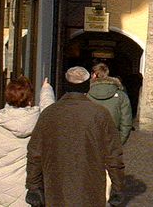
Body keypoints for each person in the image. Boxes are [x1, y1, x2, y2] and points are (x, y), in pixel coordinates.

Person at [26, 66, 124, 207]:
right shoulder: (99, 114)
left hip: (56, 187)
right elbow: (114, 155)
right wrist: (117, 187)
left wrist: (34, 186)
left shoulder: (49, 114)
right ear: (87, 86)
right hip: (89, 188)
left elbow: (35, 153)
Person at [0, 77, 54, 206]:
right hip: (26, 185)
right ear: (30, 98)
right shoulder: (39, 119)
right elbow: (50, 113)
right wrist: (46, 91)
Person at [87, 62, 133, 145]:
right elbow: (126, 121)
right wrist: (120, 141)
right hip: (112, 138)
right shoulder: (121, 95)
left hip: (90, 139)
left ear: (93, 75)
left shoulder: (86, 95)